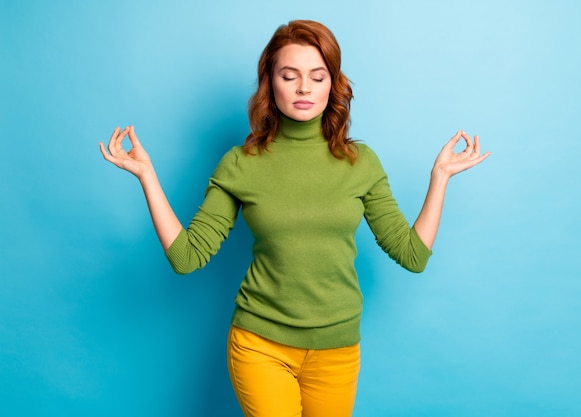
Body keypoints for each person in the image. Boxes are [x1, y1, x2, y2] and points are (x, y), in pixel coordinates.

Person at [99, 19, 489, 417]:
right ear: (271, 82)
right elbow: (187, 257)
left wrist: (439, 178)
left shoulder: (361, 163)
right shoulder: (241, 164)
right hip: (260, 345)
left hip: (337, 351)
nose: (304, 88)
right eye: (290, 75)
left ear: (331, 85)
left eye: (317, 77)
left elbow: (412, 255)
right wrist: (147, 175)